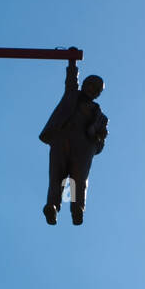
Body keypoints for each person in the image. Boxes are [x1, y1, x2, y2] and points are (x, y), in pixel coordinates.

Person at [39, 62, 108, 224]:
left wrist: (98, 140)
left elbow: (100, 145)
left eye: (97, 90)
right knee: (57, 175)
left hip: (84, 146)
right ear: (85, 85)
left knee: (78, 179)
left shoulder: (101, 118)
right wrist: (72, 62)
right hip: (62, 138)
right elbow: (71, 79)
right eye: (91, 86)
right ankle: (52, 206)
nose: (93, 91)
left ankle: (77, 208)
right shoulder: (72, 95)